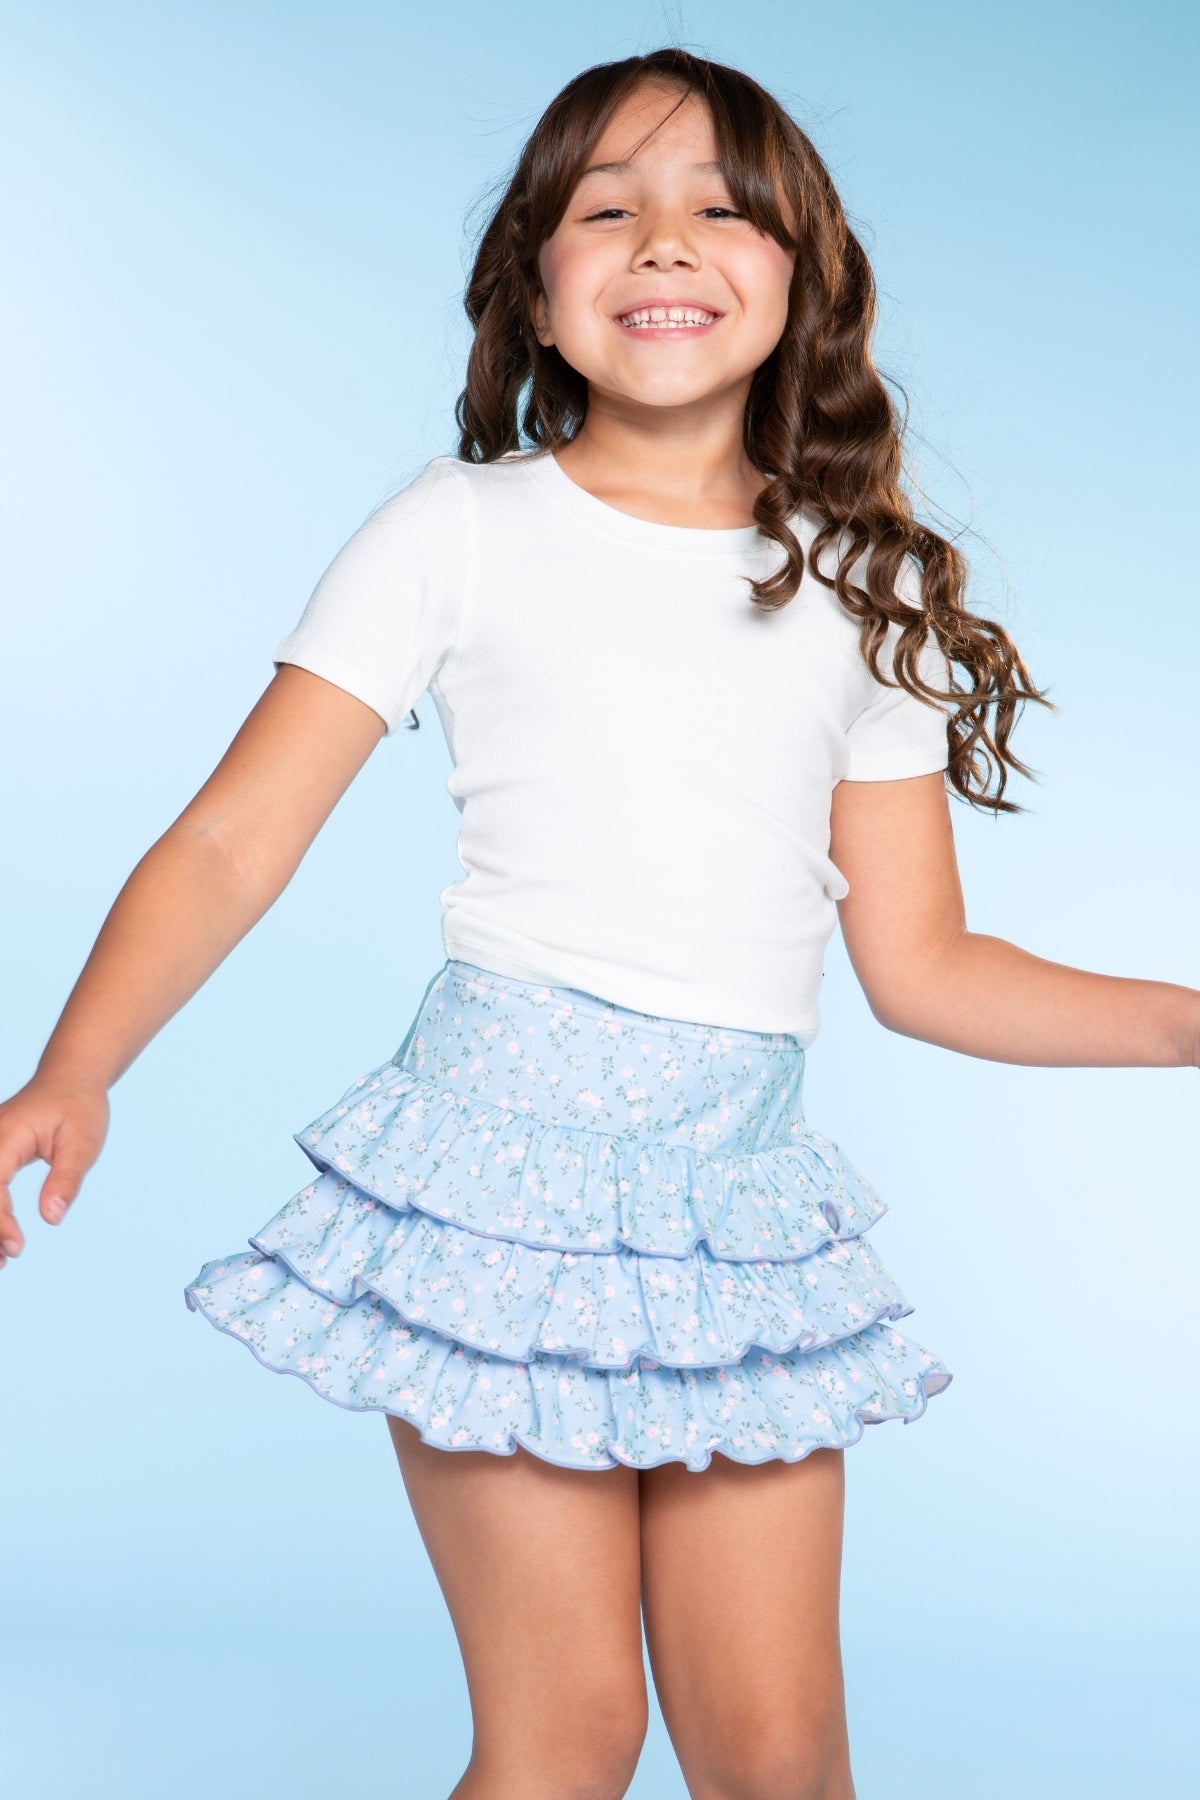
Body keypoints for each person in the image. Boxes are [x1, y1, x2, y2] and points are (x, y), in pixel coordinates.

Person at [2, 46, 1195, 1800]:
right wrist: (76, 1065)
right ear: (538, 287)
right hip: (499, 1186)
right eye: (608, 211)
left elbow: (930, 970)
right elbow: (236, 840)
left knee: (782, 1759)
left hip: (738, 1213)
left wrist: (1186, 1022)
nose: (664, 243)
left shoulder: (859, 592)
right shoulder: (459, 529)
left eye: (721, 210)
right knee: (567, 1740)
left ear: (801, 280)